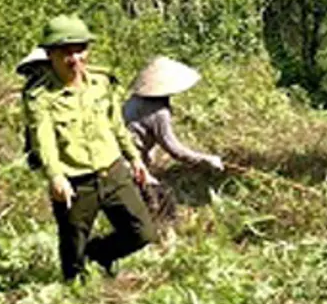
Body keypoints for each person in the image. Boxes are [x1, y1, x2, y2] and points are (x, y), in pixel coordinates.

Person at [22, 15, 158, 281]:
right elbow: (44, 139)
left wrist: (134, 158)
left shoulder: (101, 82)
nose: (75, 60)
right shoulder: (40, 96)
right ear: (50, 54)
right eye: (66, 53)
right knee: (73, 250)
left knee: (142, 233)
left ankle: (100, 254)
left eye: (80, 50)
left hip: (113, 171)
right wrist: (56, 177)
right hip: (76, 181)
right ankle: (76, 295)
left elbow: (116, 124)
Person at [123, 56, 224, 172]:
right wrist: (205, 160)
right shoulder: (158, 111)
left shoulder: (135, 99)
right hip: (128, 160)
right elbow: (173, 148)